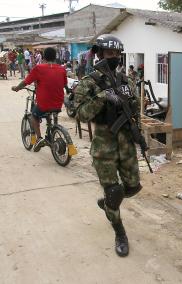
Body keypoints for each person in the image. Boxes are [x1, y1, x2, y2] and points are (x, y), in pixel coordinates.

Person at [74, 34, 142, 257]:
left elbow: (136, 108)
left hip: (126, 145)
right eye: (108, 53)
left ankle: (107, 203)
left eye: (115, 54)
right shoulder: (89, 82)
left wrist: (137, 132)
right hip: (104, 147)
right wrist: (102, 97)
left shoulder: (127, 81)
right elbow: (79, 114)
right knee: (114, 191)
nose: (112, 57)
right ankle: (119, 231)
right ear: (99, 54)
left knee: (132, 187)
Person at [11, 48, 68, 152]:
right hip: (58, 103)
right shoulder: (62, 69)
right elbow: (64, 84)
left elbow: (25, 82)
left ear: (44, 57)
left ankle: (39, 138)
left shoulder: (39, 68)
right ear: (55, 57)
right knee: (52, 112)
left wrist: (17, 88)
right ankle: (53, 129)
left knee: (34, 115)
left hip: (44, 104)